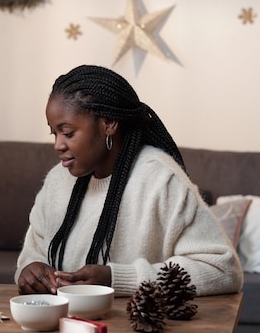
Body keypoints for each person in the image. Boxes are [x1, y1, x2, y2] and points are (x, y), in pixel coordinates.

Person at [16, 65, 243, 297]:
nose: (58, 145)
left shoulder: (160, 180)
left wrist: (117, 278)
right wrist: (30, 271)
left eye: (68, 133)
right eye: (54, 133)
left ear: (109, 124)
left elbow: (223, 269)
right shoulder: (57, 180)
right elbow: (32, 257)